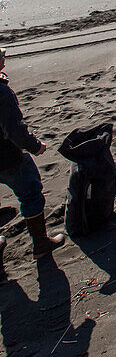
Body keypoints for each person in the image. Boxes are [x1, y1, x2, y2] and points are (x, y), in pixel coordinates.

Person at [0, 47, 65, 270]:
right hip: (7, 158)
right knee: (30, 193)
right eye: (2, 58)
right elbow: (14, 131)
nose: (4, 61)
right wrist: (35, 146)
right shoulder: (2, 93)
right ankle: (41, 244)